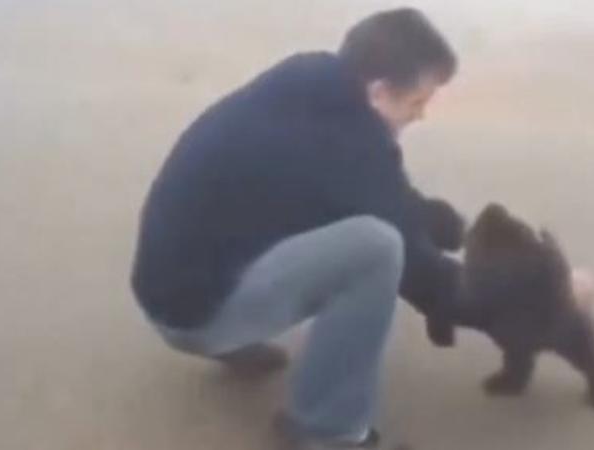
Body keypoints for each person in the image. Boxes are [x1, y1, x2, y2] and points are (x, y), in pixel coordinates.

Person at [131, 8, 465, 449]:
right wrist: (546, 294)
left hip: (165, 290)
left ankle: (233, 338)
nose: (420, 116)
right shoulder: (351, 143)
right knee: (376, 248)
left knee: (346, 221)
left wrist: (447, 227)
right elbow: (424, 276)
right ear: (380, 92)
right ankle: (329, 430)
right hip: (194, 316)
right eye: (417, 103)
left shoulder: (307, 83)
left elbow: (382, 193)